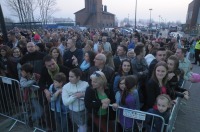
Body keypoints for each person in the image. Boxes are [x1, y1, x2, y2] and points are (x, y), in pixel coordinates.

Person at [20, 63, 43, 127]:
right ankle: (31, 119)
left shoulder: (36, 75)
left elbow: (41, 82)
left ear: (28, 72)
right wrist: (33, 81)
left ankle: (34, 120)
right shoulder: (23, 78)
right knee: (36, 111)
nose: (21, 73)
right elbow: (23, 84)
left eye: (23, 71)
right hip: (30, 97)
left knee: (40, 111)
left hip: (39, 95)